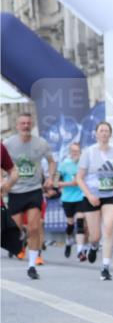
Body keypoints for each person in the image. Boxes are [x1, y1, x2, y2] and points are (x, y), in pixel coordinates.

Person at [4, 112, 56, 279]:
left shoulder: (40, 143)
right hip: (15, 191)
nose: (26, 126)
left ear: (31, 124)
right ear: (17, 126)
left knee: (34, 227)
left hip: (34, 190)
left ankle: (32, 265)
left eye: (28, 123)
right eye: (22, 123)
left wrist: (49, 178)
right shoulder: (8, 144)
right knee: (16, 228)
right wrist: (3, 182)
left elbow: (51, 161)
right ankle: (22, 238)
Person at [76, 122, 113, 280]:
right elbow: (79, 178)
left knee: (109, 228)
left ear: (110, 134)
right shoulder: (88, 153)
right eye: (101, 131)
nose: (104, 133)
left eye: (107, 131)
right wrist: (89, 195)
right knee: (95, 236)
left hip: (110, 195)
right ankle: (93, 246)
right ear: (96, 134)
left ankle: (105, 267)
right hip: (92, 197)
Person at [56, 142, 87, 260]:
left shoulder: (84, 165)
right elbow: (56, 182)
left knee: (80, 221)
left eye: (77, 151)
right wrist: (70, 183)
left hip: (81, 197)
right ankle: (68, 240)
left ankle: (80, 250)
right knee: (70, 223)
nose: (75, 154)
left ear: (80, 152)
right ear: (69, 153)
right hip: (67, 198)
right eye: (73, 151)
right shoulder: (64, 165)